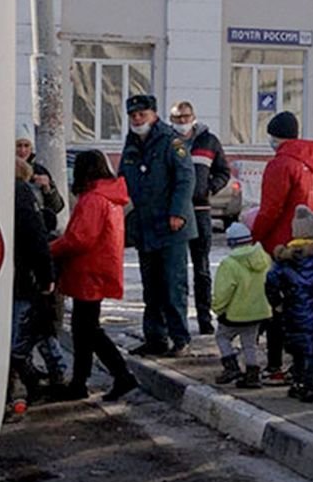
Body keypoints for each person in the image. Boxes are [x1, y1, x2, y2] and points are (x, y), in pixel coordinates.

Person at [50, 151, 133, 400]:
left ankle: (121, 375)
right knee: (83, 328)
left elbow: (80, 238)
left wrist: (51, 247)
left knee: (87, 329)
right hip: (100, 267)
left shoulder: (93, 199)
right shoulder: (109, 196)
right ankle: (80, 382)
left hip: (88, 269)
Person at [119, 93, 195, 356]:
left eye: (142, 114)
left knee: (173, 285)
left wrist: (178, 213)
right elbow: (123, 180)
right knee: (151, 287)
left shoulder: (170, 141)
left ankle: (180, 338)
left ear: (154, 115)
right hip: (145, 225)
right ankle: (155, 337)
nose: (138, 119)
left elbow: (185, 179)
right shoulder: (131, 143)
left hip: (171, 226)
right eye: (133, 115)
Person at [254, 110, 313, 380]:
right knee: (308, 308)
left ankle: (276, 366)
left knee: (278, 307)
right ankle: (303, 366)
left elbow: (271, 209)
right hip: (312, 246)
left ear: (275, 136)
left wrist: (256, 236)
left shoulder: (282, 164)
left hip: (283, 245)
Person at [266, 206, 313, 404]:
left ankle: (299, 381)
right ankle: (311, 381)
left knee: (298, 346)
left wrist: (277, 303)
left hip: (293, 310)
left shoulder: (285, 259)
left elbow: (271, 281)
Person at [170, 101, 230, 339]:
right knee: (176, 270)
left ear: (193, 116)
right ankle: (178, 320)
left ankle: (205, 319)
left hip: (202, 210)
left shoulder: (209, 141)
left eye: (186, 117)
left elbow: (223, 171)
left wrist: (210, 188)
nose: (182, 122)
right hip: (176, 211)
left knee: (202, 269)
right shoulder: (168, 141)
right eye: (177, 118)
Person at [8, 156, 61, 415]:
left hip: (17, 278)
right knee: (23, 338)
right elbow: (37, 238)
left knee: (19, 340)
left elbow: (36, 235)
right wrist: (46, 276)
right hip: (23, 278)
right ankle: (33, 385)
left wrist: (44, 275)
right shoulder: (23, 195)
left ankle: (28, 387)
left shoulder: (17, 194)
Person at [211, 220, 273, 389]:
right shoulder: (265, 258)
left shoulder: (229, 264)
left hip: (234, 313)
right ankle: (252, 375)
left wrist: (218, 309)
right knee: (249, 343)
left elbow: (224, 291)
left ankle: (231, 367)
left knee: (222, 337)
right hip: (259, 311)